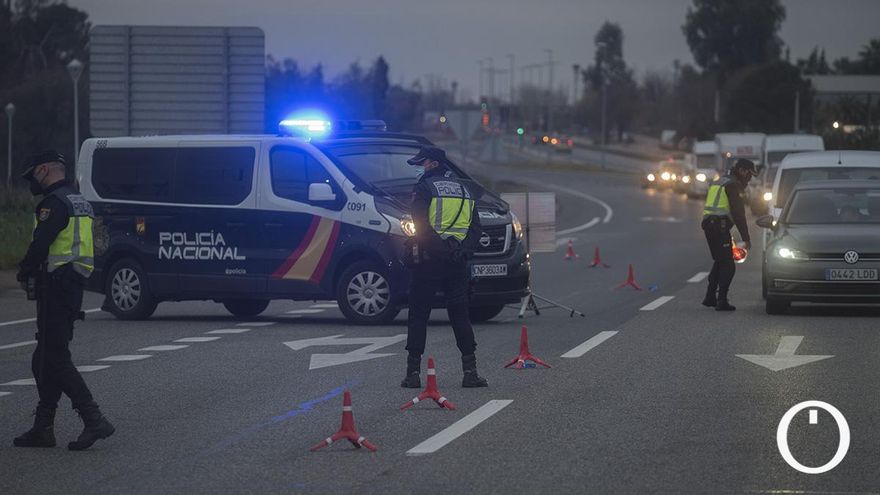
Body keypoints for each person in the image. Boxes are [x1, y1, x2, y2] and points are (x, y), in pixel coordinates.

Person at [14, 151, 115, 451]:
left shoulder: (54, 203)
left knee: (54, 357)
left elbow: (41, 243)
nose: (32, 181)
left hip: (56, 285)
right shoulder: (79, 201)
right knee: (44, 358)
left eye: (33, 174)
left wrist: (24, 270)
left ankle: (93, 418)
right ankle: (43, 427)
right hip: (72, 285)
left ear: (44, 170)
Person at [401, 146, 488, 388]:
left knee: (419, 314)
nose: (420, 168)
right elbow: (475, 228)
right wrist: (461, 252)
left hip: (428, 260)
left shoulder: (424, 187)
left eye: (422, 163)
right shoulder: (463, 189)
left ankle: (413, 374)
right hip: (457, 261)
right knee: (460, 314)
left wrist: (440, 250)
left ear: (434, 163)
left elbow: (421, 225)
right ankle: (470, 372)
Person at [701, 158, 757, 311]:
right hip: (719, 226)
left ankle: (710, 296)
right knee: (728, 265)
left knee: (720, 261)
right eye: (749, 174)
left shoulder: (721, 181)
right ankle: (722, 300)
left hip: (710, 225)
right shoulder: (733, 185)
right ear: (742, 170)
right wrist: (746, 238)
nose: (750, 178)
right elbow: (739, 215)